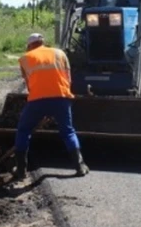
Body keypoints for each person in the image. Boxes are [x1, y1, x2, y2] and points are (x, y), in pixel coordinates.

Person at [13, 33, 88, 181]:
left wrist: (41, 103)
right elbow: (68, 78)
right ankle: (80, 166)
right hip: (61, 98)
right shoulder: (60, 53)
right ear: (43, 42)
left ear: (29, 46)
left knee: (23, 130)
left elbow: (29, 85)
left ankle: (21, 170)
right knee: (68, 131)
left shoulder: (24, 59)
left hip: (36, 101)